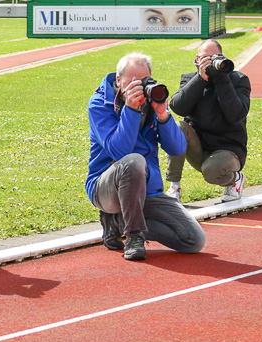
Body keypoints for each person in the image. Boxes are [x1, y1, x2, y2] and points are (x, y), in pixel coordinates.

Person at [86, 52, 206, 261]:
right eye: (131, 81)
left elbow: (177, 149)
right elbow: (119, 151)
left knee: (193, 240)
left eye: (143, 81)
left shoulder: (152, 100)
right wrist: (131, 110)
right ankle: (133, 236)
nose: (138, 87)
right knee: (134, 160)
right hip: (106, 188)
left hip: (147, 190)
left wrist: (162, 115)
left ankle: (118, 222)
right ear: (118, 80)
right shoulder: (99, 104)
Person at [165, 39, 251, 202]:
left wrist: (222, 79)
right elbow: (178, 108)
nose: (210, 62)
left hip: (229, 150)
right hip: (199, 148)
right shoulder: (190, 79)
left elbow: (236, 115)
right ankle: (174, 187)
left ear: (223, 57)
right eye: (205, 58)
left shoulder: (238, 80)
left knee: (211, 171)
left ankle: (235, 180)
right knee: (178, 127)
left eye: (214, 57)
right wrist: (200, 78)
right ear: (197, 60)